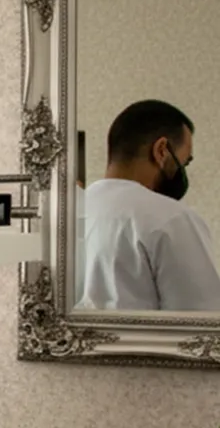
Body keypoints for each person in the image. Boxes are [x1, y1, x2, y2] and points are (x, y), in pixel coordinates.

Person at [77, 100, 220, 311]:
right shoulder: (171, 219)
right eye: (185, 162)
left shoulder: (71, 210)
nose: (182, 170)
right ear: (161, 150)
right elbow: (200, 320)